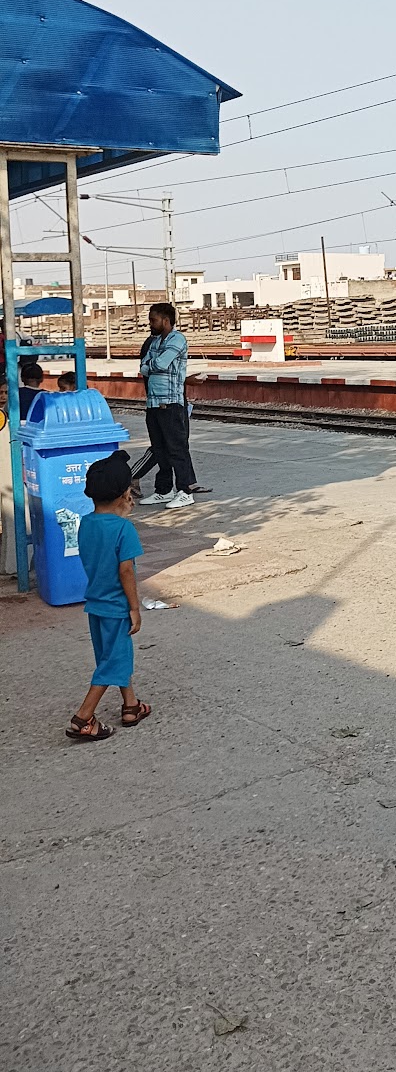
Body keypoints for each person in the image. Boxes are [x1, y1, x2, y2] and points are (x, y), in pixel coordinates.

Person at [66, 452, 150, 742]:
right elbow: (126, 570)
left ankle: (131, 706)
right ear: (125, 494)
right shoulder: (124, 529)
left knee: (112, 657)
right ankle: (83, 718)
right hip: (117, 606)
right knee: (114, 662)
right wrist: (134, 608)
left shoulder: (86, 523)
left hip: (96, 605)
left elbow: (99, 553)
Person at [138, 302, 198, 509]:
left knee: (176, 449)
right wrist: (152, 365)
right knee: (160, 449)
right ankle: (163, 490)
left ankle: (185, 491)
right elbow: (143, 369)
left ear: (165, 320)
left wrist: (151, 365)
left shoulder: (177, 339)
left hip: (171, 403)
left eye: (153, 320)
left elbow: (160, 365)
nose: (150, 324)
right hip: (153, 403)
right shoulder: (154, 342)